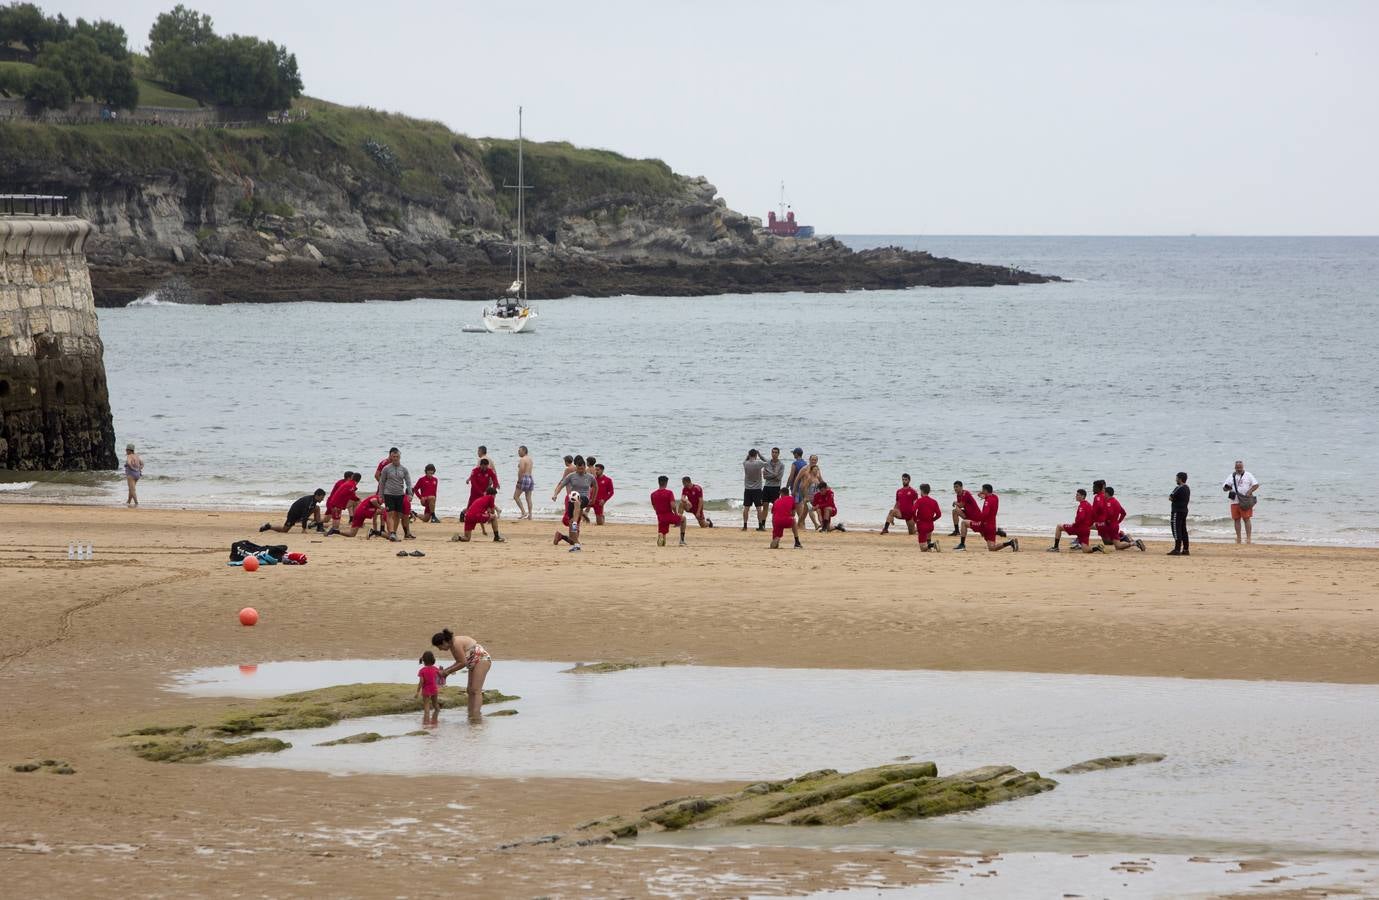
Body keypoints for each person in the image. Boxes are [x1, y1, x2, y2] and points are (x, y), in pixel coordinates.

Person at [431, 628, 492, 719]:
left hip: (482, 659)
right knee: (470, 690)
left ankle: (476, 715)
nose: (440, 649)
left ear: (444, 642)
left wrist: (447, 672)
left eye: (439, 647)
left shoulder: (455, 644)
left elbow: (463, 663)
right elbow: (459, 662)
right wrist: (446, 671)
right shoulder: (452, 645)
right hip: (473, 662)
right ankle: (470, 712)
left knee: (476, 690)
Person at [551, 455, 596, 551]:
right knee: (571, 530)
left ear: (585, 467)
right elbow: (561, 485)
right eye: (579, 469)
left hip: (584, 498)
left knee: (577, 500)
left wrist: (593, 499)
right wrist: (555, 494)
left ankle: (575, 521)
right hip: (572, 500)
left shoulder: (589, 477)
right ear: (576, 467)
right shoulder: (571, 476)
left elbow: (596, 487)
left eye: (582, 468)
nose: (580, 470)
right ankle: (576, 544)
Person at [956, 484, 1018, 551]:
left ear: (985, 490)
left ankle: (962, 545)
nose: (981, 491)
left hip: (984, 525)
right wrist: (983, 496)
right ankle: (1010, 542)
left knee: (964, 523)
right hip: (992, 525)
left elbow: (984, 514)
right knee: (992, 548)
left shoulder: (987, 501)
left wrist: (978, 522)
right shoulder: (995, 497)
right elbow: (988, 497)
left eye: (982, 490)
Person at [376, 447, 415, 541]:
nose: (395, 458)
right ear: (390, 457)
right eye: (393, 456)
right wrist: (380, 495)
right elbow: (382, 482)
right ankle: (392, 533)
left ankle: (394, 533)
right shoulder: (386, 468)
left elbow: (408, 482)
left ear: (399, 457)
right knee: (390, 514)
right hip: (388, 494)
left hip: (400, 494)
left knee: (397, 515)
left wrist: (410, 494)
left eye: (397, 456)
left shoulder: (404, 469)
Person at [1048, 488, 1097, 553]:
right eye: (1076, 495)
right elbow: (1093, 516)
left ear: (1083, 496)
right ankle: (1097, 548)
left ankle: (1055, 547)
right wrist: (1088, 525)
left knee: (1059, 527)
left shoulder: (1082, 505)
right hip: (1086, 530)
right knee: (1086, 550)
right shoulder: (1089, 504)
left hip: (1079, 528)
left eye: (1077, 495)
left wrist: (1075, 524)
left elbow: (1080, 518)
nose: (1076, 496)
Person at [1223, 460, 1260, 544]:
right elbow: (1224, 488)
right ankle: (1238, 538)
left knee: (1246, 519)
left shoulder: (1248, 475)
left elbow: (1256, 485)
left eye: (1240, 467)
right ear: (1235, 468)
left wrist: (1249, 492)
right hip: (1234, 501)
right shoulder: (1231, 476)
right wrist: (1227, 488)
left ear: (1243, 467)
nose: (1239, 469)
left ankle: (1248, 538)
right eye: (1237, 468)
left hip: (1245, 500)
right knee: (1236, 519)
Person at [260, 489, 326, 534]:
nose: (322, 499)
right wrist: (304, 529)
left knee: (317, 508)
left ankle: (319, 527)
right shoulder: (309, 502)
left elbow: (307, 512)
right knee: (284, 530)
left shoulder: (313, 500)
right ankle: (269, 526)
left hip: (300, 513)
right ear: (317, 496)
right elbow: (305, 515)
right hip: (293, 515)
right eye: (322, 497)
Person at [1101, 486, 1145, 551]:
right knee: (1110, 542)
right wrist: (1118, 522)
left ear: (1107, 493)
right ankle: (1124, 536)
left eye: (1104, 493)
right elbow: (1123, 513)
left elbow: (1110, 513)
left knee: (1117, 546)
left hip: (1111, 526)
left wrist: (1107, 520)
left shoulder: (1109, 502)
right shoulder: (1116, 501)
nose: (1103, 495)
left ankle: (1135, 543)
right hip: (1114, 525)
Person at [466, 458, 499, 535]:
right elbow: (473, 483)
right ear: (480, 465)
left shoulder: (489, 471)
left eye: (486, 467)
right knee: (470, 511)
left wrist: (493, 490)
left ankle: (486, 528)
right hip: (475, 494)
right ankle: (468, 524)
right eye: (483, 467)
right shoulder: (475, 471)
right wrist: (481, 493)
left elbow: (495, 480)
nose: (484, 468)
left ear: (487, 466)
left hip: (485, 494)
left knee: (485, 510)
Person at [651, 475, 687, 546]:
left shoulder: (653, 494)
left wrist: (658, 513)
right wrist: (676, 513)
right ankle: (682, 540)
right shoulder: (669, 492)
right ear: (666, 483)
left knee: (663, 532)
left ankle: (661, 535)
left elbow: (654, 506)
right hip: (668, 515)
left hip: (660, 517)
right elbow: (673, 505)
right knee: (683, 519)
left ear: (658, 483)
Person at [761, 447, 786, 531]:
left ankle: (776, 524)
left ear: (778, 454)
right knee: (765, 506)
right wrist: (774, 474)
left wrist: (770, 475)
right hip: (767, 487)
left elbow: (778, 478)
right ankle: (762, 525)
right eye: (773, 452)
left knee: (776, 508)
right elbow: (764, 476)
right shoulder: (767, 463)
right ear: (771, 453)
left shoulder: (781, 464)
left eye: (776, 452)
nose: (774, 454)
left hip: (776, 488)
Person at [742, 449, 767, 531]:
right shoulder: (758, 463)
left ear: (749, 455)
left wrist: (748, 456)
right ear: (756, 455)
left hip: (747, 489)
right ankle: (760, 525)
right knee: (759, 508)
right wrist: (760, 455)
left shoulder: (745, 463)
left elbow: (745, 460)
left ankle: (745, 525)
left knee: (746, 508)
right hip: (757, 489)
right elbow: (767, 462)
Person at [914, 483, 942, 551]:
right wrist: (932, 519)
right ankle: (929, 547)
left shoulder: (919, 500)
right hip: (930, 525)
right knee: (927, 540)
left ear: (922, 491)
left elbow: (913, 511)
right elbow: (939, 514)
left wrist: (915, 520)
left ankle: (933, 544)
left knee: (922, 548)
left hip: (922, 525)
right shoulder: (934, 501)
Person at [416, 651, 442, 724]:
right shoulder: (435, 669)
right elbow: (441, 676)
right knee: (435, 704)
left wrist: (417, 691)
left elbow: (421, 682)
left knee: (426, 706)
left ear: (423, 660)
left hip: (426, 690)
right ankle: (436, 719)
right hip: (434, 689)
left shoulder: (422, 671)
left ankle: (426, 722)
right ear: (433, 660)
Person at [1169, 472, 1191, 556]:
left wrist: (1174, 500)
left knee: (1176, 529)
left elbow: (1170, 497)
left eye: (1177, 478)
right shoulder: (1187, 488)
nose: (1176, 480)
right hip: (1184, 510)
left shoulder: (1178, 488)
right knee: (1183, 530)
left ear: (1180, 479)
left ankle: (1177, 549)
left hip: (1177, 511)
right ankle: (1186, 549)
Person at [514, 445, 534, 520]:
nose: (518, 452)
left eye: (519, 451)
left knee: (516, 496)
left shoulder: (522, 459)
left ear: (524, 451)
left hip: (524, 478)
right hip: (530, 478)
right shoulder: (530, 459)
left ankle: (523, 512)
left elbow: (521, 470)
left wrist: (519, 480)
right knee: (528, 498)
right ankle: (530, 515)